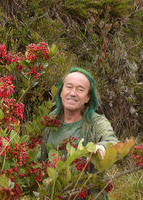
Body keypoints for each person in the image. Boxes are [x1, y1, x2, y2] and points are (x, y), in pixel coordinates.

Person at [39, 67, 119, 199]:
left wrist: (102, 148)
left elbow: (112, 141)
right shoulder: (50, 121)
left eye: (80, 89)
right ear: (61, 92)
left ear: (87, 97)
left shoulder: (97, 123)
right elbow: (43, 158)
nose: (72, 93)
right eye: (69, 87)